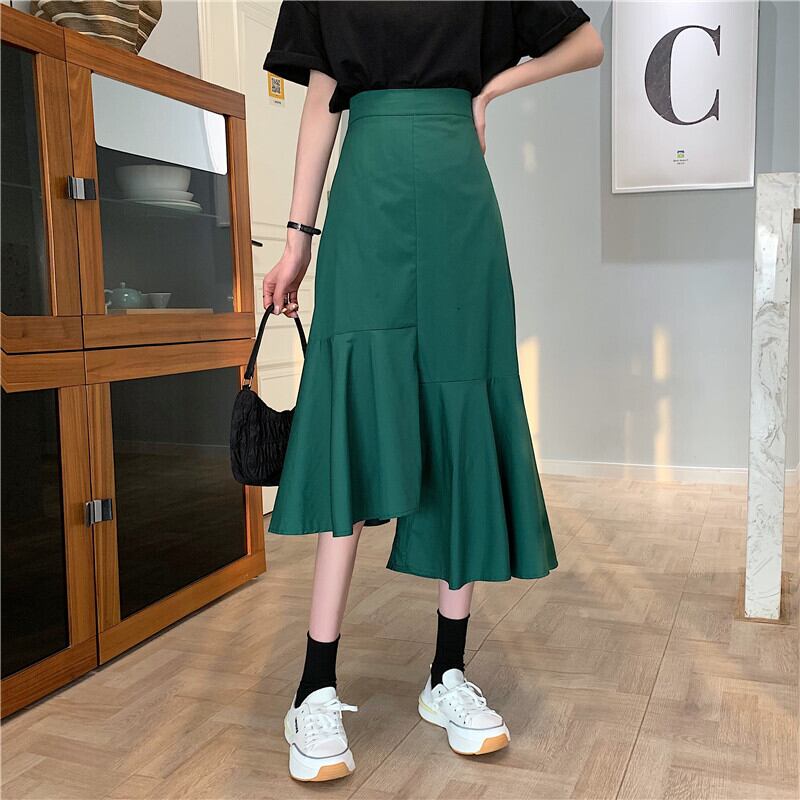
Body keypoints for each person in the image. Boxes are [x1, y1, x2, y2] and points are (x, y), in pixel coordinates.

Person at [262, 0, 603, 783]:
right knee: (357, 414)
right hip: (367, 199)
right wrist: (296, 242)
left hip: (458, 198)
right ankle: (314, 687)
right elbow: (320, 105)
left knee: (460, 419)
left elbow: (586, 43)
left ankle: (447, 673)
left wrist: (491, 89)